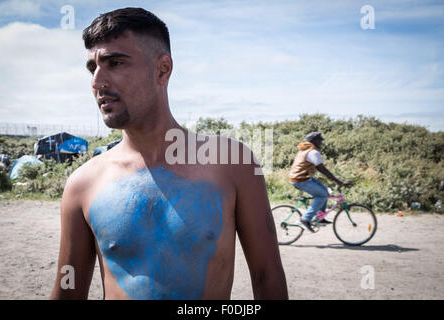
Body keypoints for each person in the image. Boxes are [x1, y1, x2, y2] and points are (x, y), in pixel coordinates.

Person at [50, 7, 288, 300]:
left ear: (162, 69)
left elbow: (268, 277)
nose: (98, 82)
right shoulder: (83, 183)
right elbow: (67, 290)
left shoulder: (231, 163)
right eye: (92, 68)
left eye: (116, 63)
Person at [289, 132, 352, 232]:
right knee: (322, 195)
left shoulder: (305, 150)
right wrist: (339, 181)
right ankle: (305, 219)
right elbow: (323, 170)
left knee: (325, 191)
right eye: (320, 140)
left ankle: (319, 217)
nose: (321, 142)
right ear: (314, 141)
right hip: (301, 179)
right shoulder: (313, 152)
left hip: (302, 177)